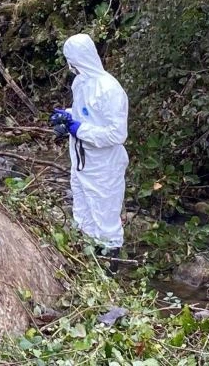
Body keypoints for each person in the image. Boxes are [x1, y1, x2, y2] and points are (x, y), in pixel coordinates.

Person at [51, 33, 129, 255]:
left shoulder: (109, 89)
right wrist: (66, 118)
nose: (70, 66)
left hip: (104, 167)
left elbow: (117, 134)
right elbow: (84, 115)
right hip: (82, 162)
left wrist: (79, 129)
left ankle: (110, 267)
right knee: (83, 213)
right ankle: (89, 260)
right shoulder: (80, 83)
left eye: (71, 60)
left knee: (105, 217)